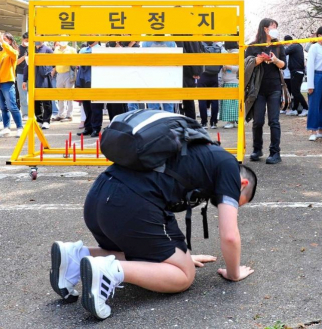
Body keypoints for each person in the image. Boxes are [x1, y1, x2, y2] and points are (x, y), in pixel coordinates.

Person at [48, 143, 257, 320]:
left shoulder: (200, 151)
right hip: (129, 206)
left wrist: (178, 256)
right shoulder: (230, 167)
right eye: (240, 202)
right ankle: (108, 271)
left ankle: (77, 256)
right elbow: (229, 236)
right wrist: (233, 273)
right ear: (242, 184)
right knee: (184, 275)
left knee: (169, 262)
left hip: (99, 199)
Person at [245, 18, 287, 165]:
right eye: (272, 26)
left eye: (276, 26)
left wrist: (275, 60)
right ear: (264, 28)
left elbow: (283, 65)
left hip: (275, 87)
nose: (275, 28)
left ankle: (275, 152)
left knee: (274, 121)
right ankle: (257, 149)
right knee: (258, 121)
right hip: (258, 89)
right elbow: (246, 65)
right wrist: (258, 61)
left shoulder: (278, 46)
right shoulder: (253, 46)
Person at [23, 41, 54, 129]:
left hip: (44, 78)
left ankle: (46, 120)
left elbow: (54, 63)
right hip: (34, 78)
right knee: (36, 100)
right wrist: (24, 80)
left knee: (46, 100)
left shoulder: (48, 50)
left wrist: (49, 72)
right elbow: (27, 65)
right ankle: (39, 119)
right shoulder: (31, 50)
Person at [0, 33, 23, 137]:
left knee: (12, 106)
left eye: (5, 39)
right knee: (3, 107)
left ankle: (19, 127)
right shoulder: (1, 53)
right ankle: (6, 127)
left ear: (9, 41)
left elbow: (13, 53)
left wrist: (2, 41)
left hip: (7, 82)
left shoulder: (12, 52)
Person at [177, 40, 204, 120]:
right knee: (189, 100)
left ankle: (181, 123)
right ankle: (192, 123)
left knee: (179, 101)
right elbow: (200, 52)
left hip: (183, 71)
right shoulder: (196, 36)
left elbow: (182, 53)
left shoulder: (179, 34)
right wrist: (197, 71)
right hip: (193, 72)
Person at [198, 42, 222, 129]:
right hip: (214, 76)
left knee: (202, 100)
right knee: (214, 100)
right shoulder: (217, 47)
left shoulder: (200, 45)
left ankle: (204, 122)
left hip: (203, 75)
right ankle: (213, 123)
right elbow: (221, 63)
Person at [51, 41, 76, 122]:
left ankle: (69, 115)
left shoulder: (71, 50)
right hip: (59, 74)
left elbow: (75, 62)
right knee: (60, 95)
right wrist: (53, 71)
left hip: (69, 73)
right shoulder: (56, 50)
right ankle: (61, 114)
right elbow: (54, 62)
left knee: (69, 95)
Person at [284, 35, 308, 116]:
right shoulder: (297, 46)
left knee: (295, 91)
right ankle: (295, 109)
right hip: (298, 71)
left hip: (296, 71)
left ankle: (306, 108)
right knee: (295, 91)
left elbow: (284, 52)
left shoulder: (294, 46)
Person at [220, 61, 240, 129]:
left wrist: (229, 67)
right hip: (227, 83)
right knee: (227, 104)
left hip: (234, 83)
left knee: (232, 104)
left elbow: (240, 68)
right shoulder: (226, 54)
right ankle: (231, 121)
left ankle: (232, 121)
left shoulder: (237, 54)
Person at [16, 33, 28, 119]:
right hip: (20, 73)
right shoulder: (17, 49)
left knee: (32, 95)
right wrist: (25, 57)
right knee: (23, 95)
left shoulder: (33, 48)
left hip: (31, 73)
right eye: (26, 40)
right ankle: (25, 114)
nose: (27, 42)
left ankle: (33, 112)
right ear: (22, 39)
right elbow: (16, 62)